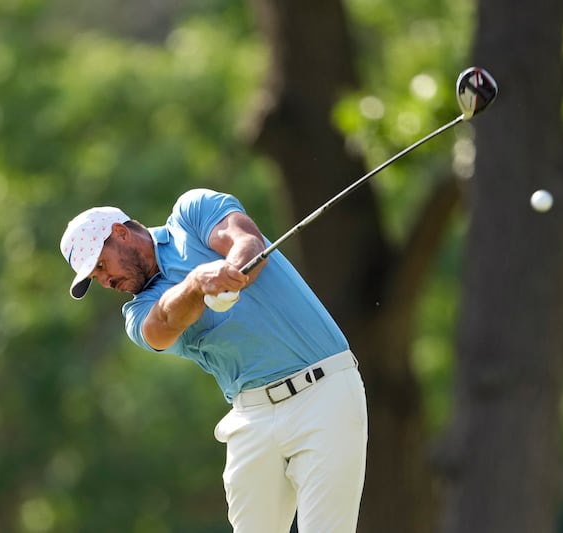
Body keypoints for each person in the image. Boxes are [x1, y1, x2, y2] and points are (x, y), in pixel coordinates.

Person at [60, 188, 367, 533]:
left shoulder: (192, 213)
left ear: (120, 233)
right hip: (251, 416)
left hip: (324, 392)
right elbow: (164, 323)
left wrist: (232, 274)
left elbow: (247, 241)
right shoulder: (137, 311)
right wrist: (197, 285)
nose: (105, 281)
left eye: (101, 266)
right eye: (95, 278)